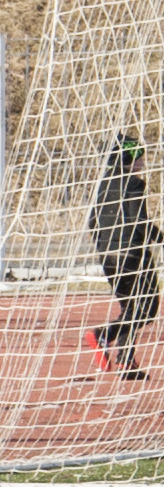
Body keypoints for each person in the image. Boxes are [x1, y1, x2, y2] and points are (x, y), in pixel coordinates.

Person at [91, 129, 152, 381]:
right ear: (129, 160)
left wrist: (104, 247)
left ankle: (126, 360)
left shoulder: (103, 186)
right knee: (147, 306)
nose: (142, 163)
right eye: (140, 158)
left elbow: (93, 223)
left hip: (108, 257)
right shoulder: (134, 183)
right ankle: (105, 334)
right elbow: (140, 222)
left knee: (131, 307)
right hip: (132, 255)